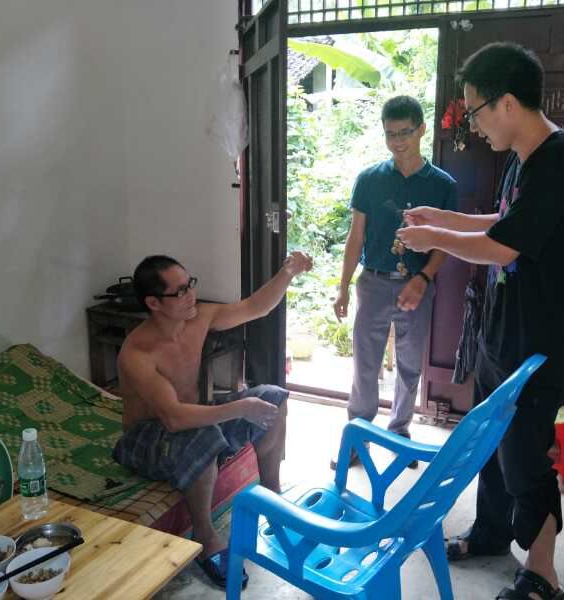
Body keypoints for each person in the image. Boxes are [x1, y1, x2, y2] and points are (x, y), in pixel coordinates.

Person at [398, 42, 564, 600]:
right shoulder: (522, 157)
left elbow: (503, 247)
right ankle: (490, 532)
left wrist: (435, 237)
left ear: (506, 102)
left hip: (542, 340)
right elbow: (506, 221)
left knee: (523, 456)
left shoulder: (563, 159)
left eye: (475, 111)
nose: (474, 125)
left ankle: (543, 574)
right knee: (489, 443)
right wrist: (443, 217)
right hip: (504, 329)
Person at [112, 251, 312, 590]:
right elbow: (174, 418)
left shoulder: (198, 317)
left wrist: (288, 272)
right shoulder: (138, 353)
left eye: (189, 284)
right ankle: (205, 537)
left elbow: (257, 307)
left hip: (191, 418)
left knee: (272, 399)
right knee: (204, 436)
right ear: (153, 303)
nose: (191, 294)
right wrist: (239, 408)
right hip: (144, 436)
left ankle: (272, 496)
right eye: (179, 291)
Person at [331, 95, 457, 470]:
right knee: (365, 365)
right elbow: (355, 237)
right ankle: (358, 438)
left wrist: (423, 278)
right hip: (373, 282)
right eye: (390, 134)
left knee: (409, 365)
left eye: (405, 132)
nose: (397, 141)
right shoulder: (369, 179)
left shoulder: (442, 185)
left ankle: (399, 433)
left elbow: (446, 243)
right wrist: (343, 286)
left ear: (422, 130)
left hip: (416, 286)